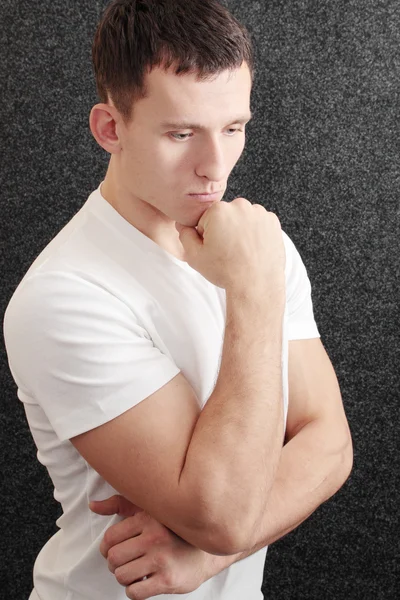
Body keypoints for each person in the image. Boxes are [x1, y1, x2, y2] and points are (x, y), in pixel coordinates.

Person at [3, 1, 353, 599]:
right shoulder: (64, 297)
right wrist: (253, 292)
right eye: (181, 133)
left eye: (233, 128)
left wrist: (208, 560)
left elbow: (330, 443)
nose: (215, 167)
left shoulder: (257, 249)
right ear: (111, 129)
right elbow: (221, 514)